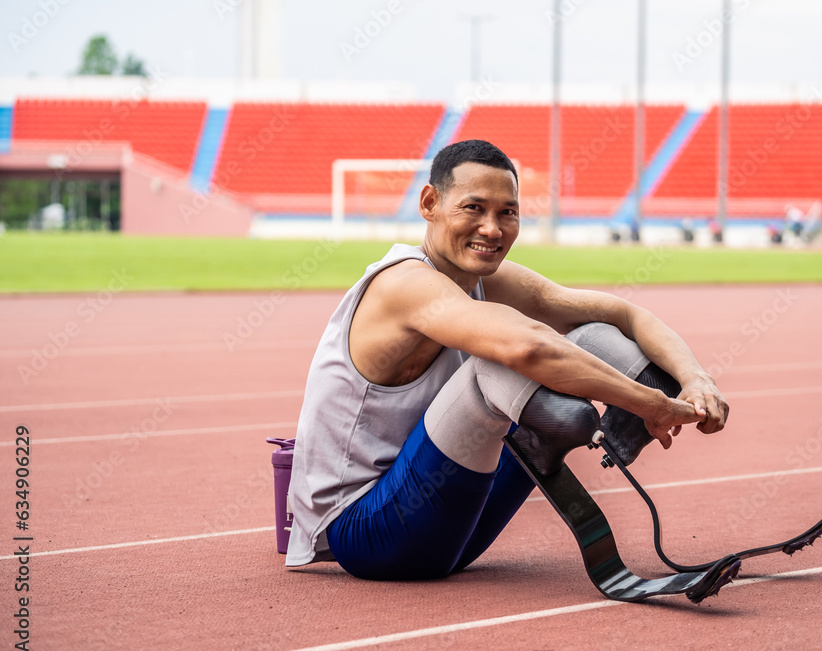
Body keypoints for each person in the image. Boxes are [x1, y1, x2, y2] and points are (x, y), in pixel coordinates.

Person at [284, 139, 728, 579]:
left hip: (452, 534)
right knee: (498, 363)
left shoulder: (485, 278)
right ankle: (566, 432)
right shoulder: (404, 284)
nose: (493, 229)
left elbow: (623, 313)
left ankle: (572, 430)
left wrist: (694, 379)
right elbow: (527, 347)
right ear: (429, 203)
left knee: (593, 335)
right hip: (367, 535)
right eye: (473, 208)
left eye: (507, 212)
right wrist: (650, 405)